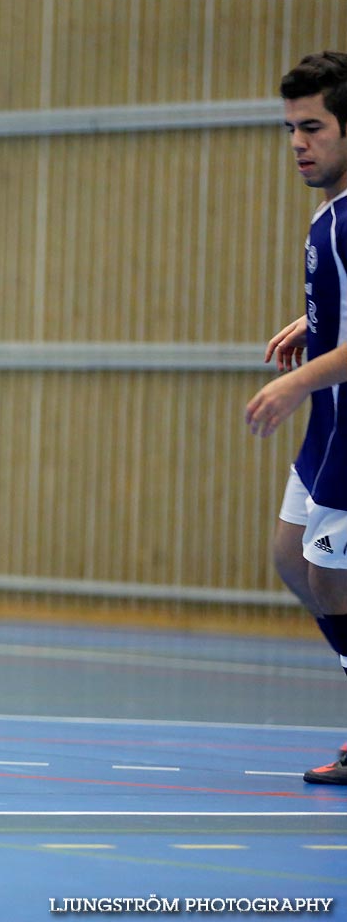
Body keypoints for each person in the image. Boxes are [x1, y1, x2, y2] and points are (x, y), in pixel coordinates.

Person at [248, 50, 347, 785]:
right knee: (291, 557)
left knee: (330, 578)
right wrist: (314, 321)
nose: (297, 144)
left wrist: (294, 385)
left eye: (312, 127)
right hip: (331, 421)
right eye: (290, 129)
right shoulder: (330, 213)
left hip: (342, 419)